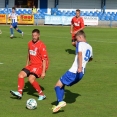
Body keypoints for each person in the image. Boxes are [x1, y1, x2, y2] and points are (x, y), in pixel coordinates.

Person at [52, 30, 93, 113]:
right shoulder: (90, 47)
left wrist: (79, 66)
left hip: (74, 71)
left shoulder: (80, 44)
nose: (76, 41)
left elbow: (80, 54)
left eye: (77, 39)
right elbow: (90, 59)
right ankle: (58, 104)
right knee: (62, 85)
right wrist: (83, 65)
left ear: (81, 37)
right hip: (81, 74)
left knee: (57, 86)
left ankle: (60, 101)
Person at [10, 29, 49, 100]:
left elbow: (44, 60)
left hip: (39, 66)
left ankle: (42, 95)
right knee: (20, 75)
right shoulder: (29, 43)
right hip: (31, 65)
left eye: (36, 36)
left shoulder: (41, 46)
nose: (34, 37)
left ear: (39, 36)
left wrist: (43, 72)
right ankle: (19, 93)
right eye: (33, 35)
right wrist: (27, 64)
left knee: (31, 79)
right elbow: (29, 53)